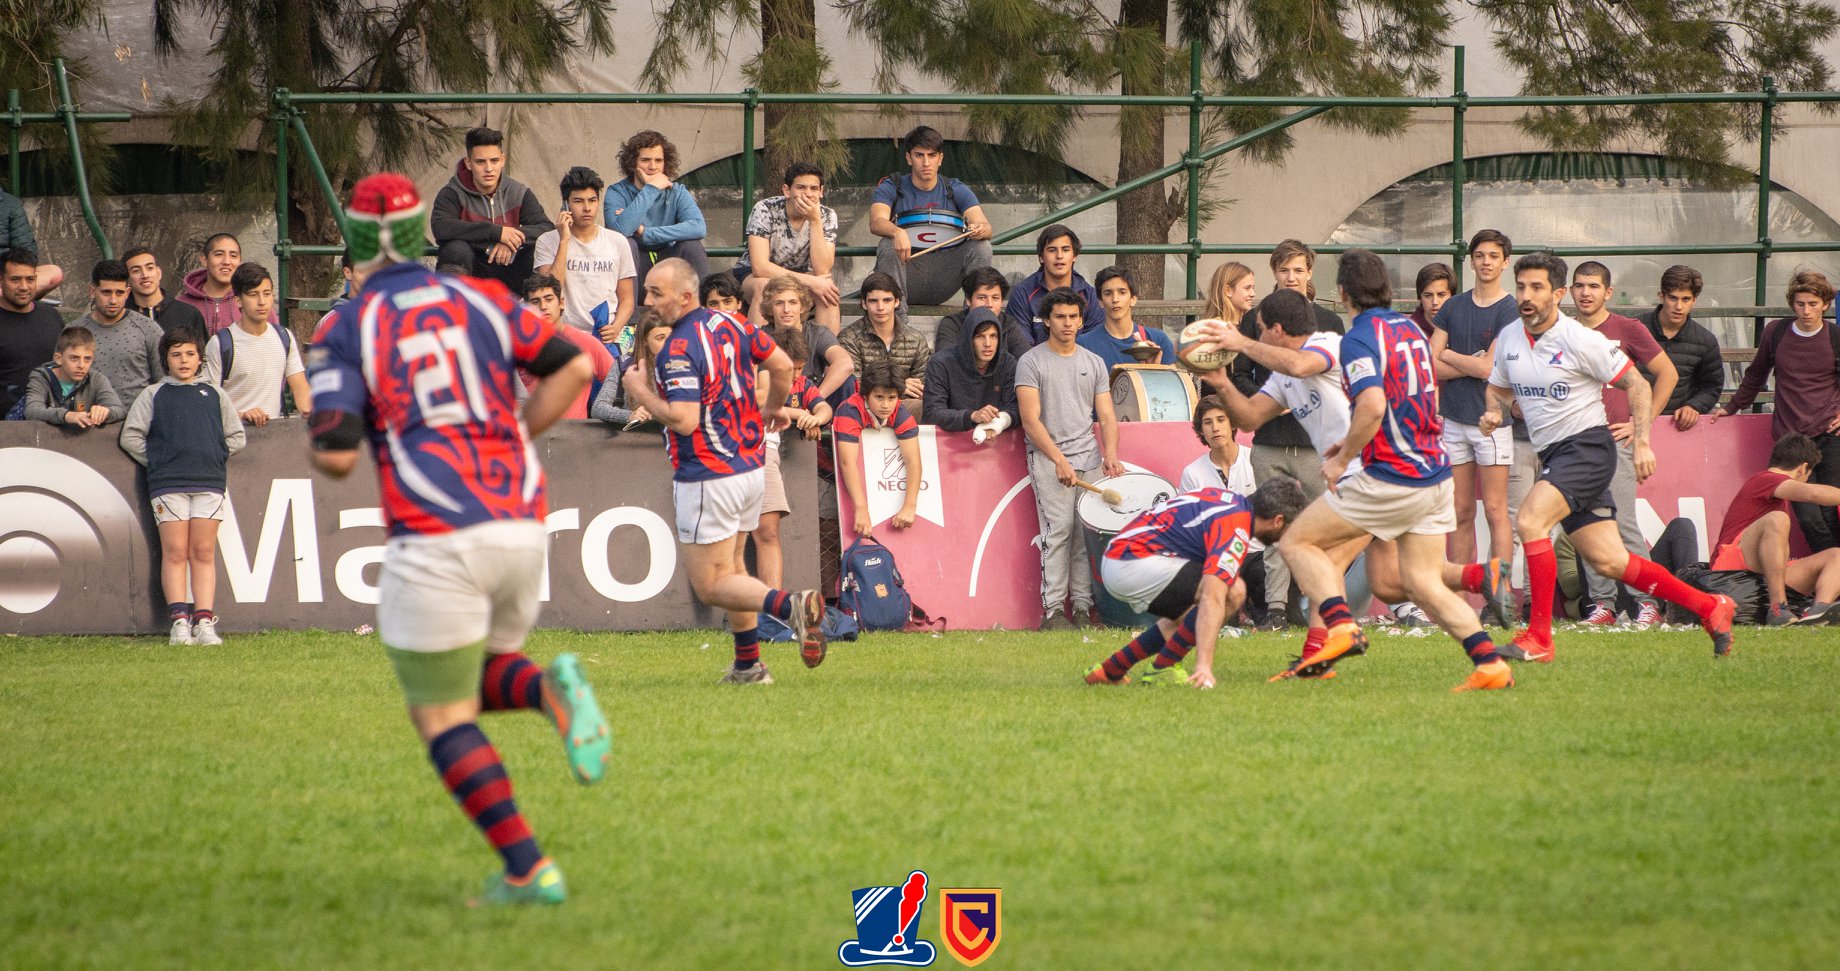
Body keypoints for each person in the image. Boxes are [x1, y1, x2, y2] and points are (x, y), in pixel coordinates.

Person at [305, 173, 611, 906]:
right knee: (477, 672)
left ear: (354, 243)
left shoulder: (346, 327)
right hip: (520, 519)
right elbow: (577, 364)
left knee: (439, 712)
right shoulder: (481, 298)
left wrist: (328, 408)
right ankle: (543, 688)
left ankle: (527, 868)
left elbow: (337, 455)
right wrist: (518, 432)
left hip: (435, 531)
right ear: (422, 236)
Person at [1194, 287, 1512, 672]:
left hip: (1369, 474)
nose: (1256, 337)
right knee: (1392, 583)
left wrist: (1240, 343)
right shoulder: (1282, 375)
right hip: (1382, 476)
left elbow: (1303, 366)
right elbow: (1249, 418)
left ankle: (1324, 648)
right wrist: (1221, 381)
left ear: (1276, 330)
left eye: (1259, 329)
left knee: (1314, 552)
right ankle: (1482, 594)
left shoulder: (1327, 343)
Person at [1482, 252, 1736, 662]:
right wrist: (1494, 411)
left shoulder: (1580, 339)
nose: (1526, 295)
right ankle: (1711, 606)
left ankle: (1539, 638)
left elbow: (1638, 384)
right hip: (1556, 453)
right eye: (1522, 286)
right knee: (1611, 560)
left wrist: (1642, 440)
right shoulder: (1511, 335)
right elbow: (1497, 388)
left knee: (1529, 520)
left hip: (1586, 448)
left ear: (1558, 294)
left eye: (1537, 287)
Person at [617, 257, 828, 682]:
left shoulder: (678, 347)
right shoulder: (732, 322)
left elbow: (684, 420)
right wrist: (774, 407)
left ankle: (791, 606)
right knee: (733, 571)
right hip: (750, 465)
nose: (647, 301)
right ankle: (749, 665)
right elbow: (781, 365)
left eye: (656, 292)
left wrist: (640, 390)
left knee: (711, 585)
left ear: (685, 296)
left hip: (708, 474)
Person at [1083, 480, 1306, 688]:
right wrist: (1204, 665)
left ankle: (1111, 669)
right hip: (1131, 562)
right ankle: (1165, 667)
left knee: (1189, 618)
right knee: (1231, 592)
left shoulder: (1230, 503)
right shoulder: (1235, 525)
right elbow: (1213, 596)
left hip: (1122, 557)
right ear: (1278, 521)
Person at [1226, 239, 1343, 628]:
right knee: (1274, 527)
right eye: (1283, 270)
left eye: (1298, 270)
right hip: (1269, 440)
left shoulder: (1329, 322)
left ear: (1310, 272)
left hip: (1315, 447)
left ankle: (1320, 609)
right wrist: (1271, 400)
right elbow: (1240, 374)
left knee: (1321, 531)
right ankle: (1276, 608)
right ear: (1274, 273)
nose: (1291, 277)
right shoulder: (1254, 319)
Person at [119, 326, 246, 647]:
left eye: (190, 354)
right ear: (166, 359)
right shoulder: (153, 394)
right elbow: (131, 436)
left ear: (200, 358)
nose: (184, 360)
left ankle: (204, 623)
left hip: (209, 483)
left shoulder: (215, 394)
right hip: (168, 485)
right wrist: (160, 461)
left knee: (202, 552)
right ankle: (179, 623)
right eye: (176, 355)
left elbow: (236, 437)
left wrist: (212, 457)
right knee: (175, 552)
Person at [1569, 261, 1679, 625]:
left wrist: (1640, 424)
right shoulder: (1563, 331)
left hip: (1615, 440)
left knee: (1623, 524)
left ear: (1608, 292)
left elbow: (1667, 374)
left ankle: (1647, 602)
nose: (1586, 293)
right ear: (1570, 291)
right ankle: (1603, 605)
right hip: (1576, 442)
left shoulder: (1627, 328)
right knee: (1588, 525)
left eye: (1593, 286)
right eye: (1579, 285)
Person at [1017, 287, 1125, 630]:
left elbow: (1106, 416)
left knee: (1084, 535)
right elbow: (1030, 420)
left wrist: (1110, 453)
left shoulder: (1093, 362)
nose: (1067, 323)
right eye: (1060, 317)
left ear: (1081, 320)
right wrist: (1058, 459)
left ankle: (1081, 608)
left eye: (1073, 317)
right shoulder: (1031, 361)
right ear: (1047, 321)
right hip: (1048, 459)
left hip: (1089, 458)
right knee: (1059, 531)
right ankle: (1053, 611)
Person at [1710, 271, 1840, 551]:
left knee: (1831, 511)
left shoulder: (1835, 336)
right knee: (1808, 517)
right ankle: (1831, 565)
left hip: (1830, 434)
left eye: (1813, 304)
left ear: (1826, 304)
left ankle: (1831, 568)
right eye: (1800, 304)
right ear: (1792, 303)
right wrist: (1732, 406)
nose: (1806, 311)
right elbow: (1756, 373)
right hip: (1791, 439)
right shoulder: (1777, 332)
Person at [1429, 230, 1518, 608]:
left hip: (1492, 422)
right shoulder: (1453, 306)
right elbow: (1430, 363)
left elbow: (1489, 369)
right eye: (1479, 255)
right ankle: (1459, 602)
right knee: (1461, 512)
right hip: (1453, 421)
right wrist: (1470, 362)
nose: (1486, 262)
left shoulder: (1510, 309)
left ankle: (1500, 595)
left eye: (1493, 256)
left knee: (1496, 510)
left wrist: (1451, 355)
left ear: (1505, 262)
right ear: (1470, 260)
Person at [1710, 433, 1840, 624]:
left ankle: (1818, 611)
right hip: (1731, 566)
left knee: (1836, 555)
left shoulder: (1771, 487)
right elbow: (1814, 494)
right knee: (1777, 519)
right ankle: (1778, 607)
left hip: (1762, 571)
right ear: (1803, 468)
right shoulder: (1764, 479)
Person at [869, 125, 994, 316]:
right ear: (909, 158)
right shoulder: (891, 186)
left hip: (944, 278)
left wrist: (979, 229)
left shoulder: (955, 188)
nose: (926, 162)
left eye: (932, 155)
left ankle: (975, 318)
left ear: (940, 158)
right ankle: (898, 321)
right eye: (919, 155)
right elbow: (876, 221)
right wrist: (896, 232)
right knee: (887, 244)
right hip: (905, 274)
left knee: (982, 247)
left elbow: (986, 227)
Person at [431, 127, 554, 294]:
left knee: (536, 250)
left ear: (502, 160)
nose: (488, 168)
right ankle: (453, 305)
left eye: (494, 161)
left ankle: (534, 308)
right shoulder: (452, 193)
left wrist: (510, 240)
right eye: (480, 162)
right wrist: (496, 233)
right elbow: (441, 227)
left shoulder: (518, 192)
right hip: (472, 269)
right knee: (455, 249)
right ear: (468, 163)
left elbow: (546, 228)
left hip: (509, 267)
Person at [533, 166, 636, 354]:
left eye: (592, 200)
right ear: (565, 205)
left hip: (607, 336)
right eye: (578, 201)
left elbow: (627, 299)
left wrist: (616, 327)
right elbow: (550, 290)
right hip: (565, 335)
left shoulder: (617, 241)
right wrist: (564, 240)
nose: (587, 208)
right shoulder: (547, 241)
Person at [736, 162, 841, 333]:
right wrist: (810, 281)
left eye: (814, 188)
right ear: (787, 190)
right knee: (764, 286)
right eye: (801, 187)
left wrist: (815, 221)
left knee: (827, 288)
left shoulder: (827, 215)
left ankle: (827, 347)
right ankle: (757, 348)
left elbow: (822, 269)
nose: (808, 194)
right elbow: (759, 268)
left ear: (821, 192)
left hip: (803, 273)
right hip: (756, 275)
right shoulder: (765, 209)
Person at [202, 263, 312, 427]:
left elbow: (300, 386)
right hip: (234, 434)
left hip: (274, 434)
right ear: (238, 301)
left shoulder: (284, 337)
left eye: (267, 294)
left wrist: (309, 411)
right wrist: (242, 415)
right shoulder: (221, 343)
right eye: (253, 295)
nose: (262, 302)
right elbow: (206, 401)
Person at [604, 130, 711, 292]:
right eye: (645, 160)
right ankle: (631, 310)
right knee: (628, 243)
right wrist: (652, 188)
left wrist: (646, 232)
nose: (653, 166)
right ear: (632, 162)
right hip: (635, 268)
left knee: (692, 246)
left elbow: (698, 227)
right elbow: (621, 230)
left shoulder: (677, 191)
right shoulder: (617, 192)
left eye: (658, 160)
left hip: (669, 264)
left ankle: (700, 306)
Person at [834, 364, 923, 540]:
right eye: (879, 397)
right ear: (865, 394)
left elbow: (913, 461)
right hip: (828, 469)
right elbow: (847, 462)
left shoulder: (900, 412)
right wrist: (861, 508)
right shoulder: (850, 411)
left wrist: (909, 506)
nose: (886, 405)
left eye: (892, 398)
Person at [1638, 265, 1725, 431]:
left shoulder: (1705, 340)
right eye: (1673, 298)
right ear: (1661, 296)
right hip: (1632, 422)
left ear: (1694, 300)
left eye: (1685, 299)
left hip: (1677, 426)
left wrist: (1694, 406)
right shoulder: (1635, 330)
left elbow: (1712, 386)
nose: (1679, 306)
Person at [71, 259, 165, 406]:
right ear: (92, 292)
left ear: (127, 293)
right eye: (106, 292)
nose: (113, 300)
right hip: (87, 417)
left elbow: (164, 382)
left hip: (137, 417)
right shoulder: (73, 332)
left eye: (119, 293)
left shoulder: (148, 329)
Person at [522, 274, 614, 420]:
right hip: (531, 429)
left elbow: (618, 382)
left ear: (561, 303)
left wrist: (604, 409)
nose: (543, 306)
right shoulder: (517, 346)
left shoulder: (588, 343)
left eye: (549, 299)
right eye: (535, 301)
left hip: (574, 431)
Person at [839, 271, 931, 414]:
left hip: (904, 405)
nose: (880, 307)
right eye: (873, 301)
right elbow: (853, 385)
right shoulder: (848, 338)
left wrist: (896, 395)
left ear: (897, 302)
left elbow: (922, 386)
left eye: (887, 300)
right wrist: (899, 386)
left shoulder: (916, 339)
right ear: (863, 303)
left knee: (929, 407)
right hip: (864, 407)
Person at [922, 306, 1019, 438]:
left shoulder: (1007, 362)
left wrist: (998, 422)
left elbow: (1016, 408)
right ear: (968, 339)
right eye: (980, 336)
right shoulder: (941, 363)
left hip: (994, 439)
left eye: (993, 336)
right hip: (947, 440)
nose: (988, 343)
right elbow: (932, 412)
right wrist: (972, 416)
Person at [762, 274, 856, 409]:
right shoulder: (760, 337)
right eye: (779, 303)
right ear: (770, 309)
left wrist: (814, 400)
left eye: (793, 302)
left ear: (802, 307)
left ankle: (842, 422)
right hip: (776, 403)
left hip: (815, 403)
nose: (786, 310)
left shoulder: (817, 333)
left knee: (847, 381)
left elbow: (845, 364)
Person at [1008, 224, 1105, 342]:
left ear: (1074, 256)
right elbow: (1020, 344)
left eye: (1065, 250)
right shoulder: (1022, 293)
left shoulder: (1089, 295)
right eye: (1052, 250)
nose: (1059, 256)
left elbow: (1094, 342)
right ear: (1041, 257)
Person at [0, 248, 64, 418]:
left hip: (49, 420)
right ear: (1, 280)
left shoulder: (51, 316)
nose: (24, 287)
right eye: (15, 279)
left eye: (30, 279)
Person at [21, 326, 123, 428]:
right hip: (43, 436)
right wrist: (67, 415)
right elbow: (31, 411)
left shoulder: (96, 379)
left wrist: (105, 412)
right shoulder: (41, 377)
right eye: (74, 358)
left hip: (80, 437)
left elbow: (120, 411)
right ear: (58, 358)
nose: (81, 365)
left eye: (87, 359)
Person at [1077, 266, 1177, 370]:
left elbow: (1175, 379)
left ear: (1133, 299)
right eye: (1108, 293)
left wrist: (1152, 370)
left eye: (1122, 292)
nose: (1115, 299)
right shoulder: (1084, 344)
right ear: (1100, 301)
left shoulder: (1158, 340)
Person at [591, 310, 671, 427]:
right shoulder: (624, 365)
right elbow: (598, 407)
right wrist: (630, 416)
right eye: (660, 338)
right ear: (645, 341)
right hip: (633, 436)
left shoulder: (687, 367)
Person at [178, 233, 266, 334]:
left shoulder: (255, 303)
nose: (227, 262)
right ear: (204, 260)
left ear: (240, 262)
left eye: (233, 256)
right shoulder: (181, 305)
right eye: (219, 254)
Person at [930, 267, 1030, 353]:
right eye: (982, 298)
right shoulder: (952, 325)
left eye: (995, 298)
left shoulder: (1010, 326)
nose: (989, 304)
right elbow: (945, 362)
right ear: (968, 300)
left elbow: (1026, 360)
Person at [123, 247, 208, 337]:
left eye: (150, 268)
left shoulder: (188, 314)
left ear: (159, 273)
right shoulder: (121, 317)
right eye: (136, 271)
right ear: (127, 280)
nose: (145, 275)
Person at [0, 187, 63, 298]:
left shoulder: (10, 203)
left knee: (54, 273)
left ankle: (7, 296)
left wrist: (9, 274)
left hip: (6, 275)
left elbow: (26, 251)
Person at [1203, 260, 1258, 329]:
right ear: (1228, 290)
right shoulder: (1212, 329)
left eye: (1253, 288)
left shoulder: (1256, 325)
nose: (1253, 294)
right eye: (1247, 288)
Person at [1409, 262, 1454, 332]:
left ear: (1452, 296)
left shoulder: (1464, 325)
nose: (1435, 302)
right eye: (1428, 296)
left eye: (1441, 295)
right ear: (1420, 297)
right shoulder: (1407, 331)